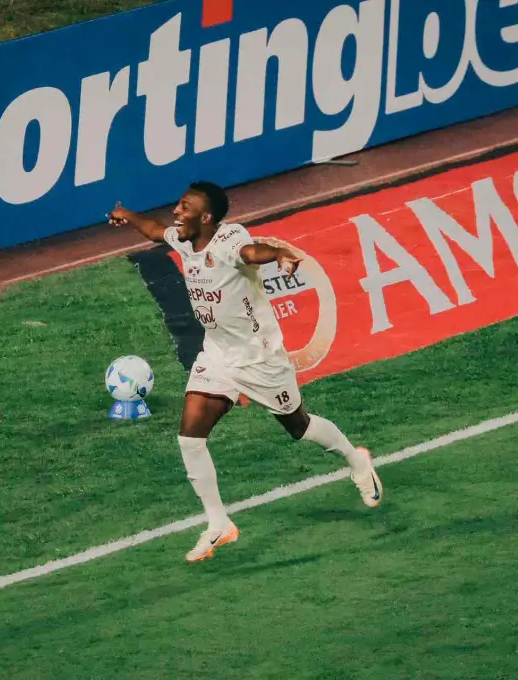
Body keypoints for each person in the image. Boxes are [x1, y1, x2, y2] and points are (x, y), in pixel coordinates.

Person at [108, 181, 383, 563]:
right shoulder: (186, 240)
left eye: (184, 207)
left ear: (206, 217)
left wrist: (282, 255)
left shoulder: (229, 241)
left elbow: (256, 252)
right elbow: (155, 230)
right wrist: (129, 216)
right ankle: (219, 523)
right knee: (190, 437)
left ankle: (357, 460)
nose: (176, 211)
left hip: (260, 361)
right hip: (218, 355)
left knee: (298, 427)